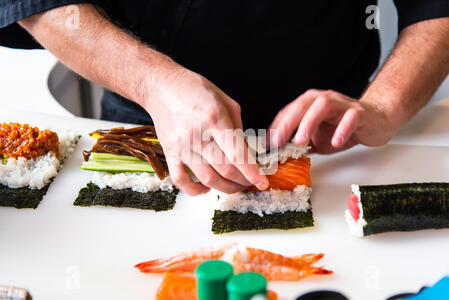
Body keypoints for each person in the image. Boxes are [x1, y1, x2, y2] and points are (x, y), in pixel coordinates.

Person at [1, 1, 449, 196]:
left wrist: (384, 106)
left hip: (338, 142)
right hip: (151, 131)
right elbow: (39, 2)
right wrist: (156, 86)